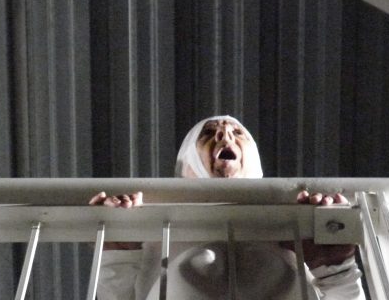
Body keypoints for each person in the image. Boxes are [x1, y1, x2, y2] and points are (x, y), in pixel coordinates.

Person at [90, 116, 365, 299]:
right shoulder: (152, 228)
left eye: (237, 133)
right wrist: (117, 248)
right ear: (187, 162)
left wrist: (333, 267)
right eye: (208, 133)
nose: (224, 135)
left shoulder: (295, 228)